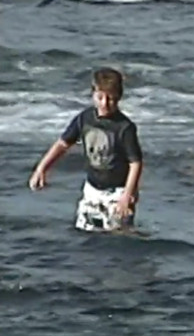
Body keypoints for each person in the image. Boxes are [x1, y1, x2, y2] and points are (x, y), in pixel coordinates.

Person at [29, 68, 144, 232]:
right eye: (100, 97)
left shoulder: (124, 127)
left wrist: (127, 195)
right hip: (92, 189)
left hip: (117, 192)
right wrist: (41, 169)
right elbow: (63, 144)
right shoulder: (85, 118)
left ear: (119, 97)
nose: (105, 103)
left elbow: (135, 163)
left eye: (111, 99)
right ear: (93, 94)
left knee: (117, 235)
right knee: (85, 232)